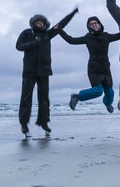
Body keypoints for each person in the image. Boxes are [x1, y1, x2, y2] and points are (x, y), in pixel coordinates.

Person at [15, 8, 78, 136]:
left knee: (44, 99)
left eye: (41, 22)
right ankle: (24, 124)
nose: (39, 24)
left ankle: (43, 122)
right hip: (29, 72)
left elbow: (61, 24)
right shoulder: (27, 33)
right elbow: (19, 46)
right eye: (37, 22)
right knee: (26, 98)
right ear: (33, 23)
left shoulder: (48, 34)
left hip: (44, 72)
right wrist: (34, 43)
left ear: (45, 24)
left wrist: (72, 13)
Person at [58, 15, 120, 113]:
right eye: (91, 24)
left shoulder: (106, 36)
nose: (94, 25)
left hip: (106, 68)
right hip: (94, 68)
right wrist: (59, 30)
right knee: (98, 91)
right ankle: (77, 97)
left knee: (110, 93)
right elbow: (71, 40)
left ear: (99, 24)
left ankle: (107, 104)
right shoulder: (88, 38)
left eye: (95, 23)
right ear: (89, 27)